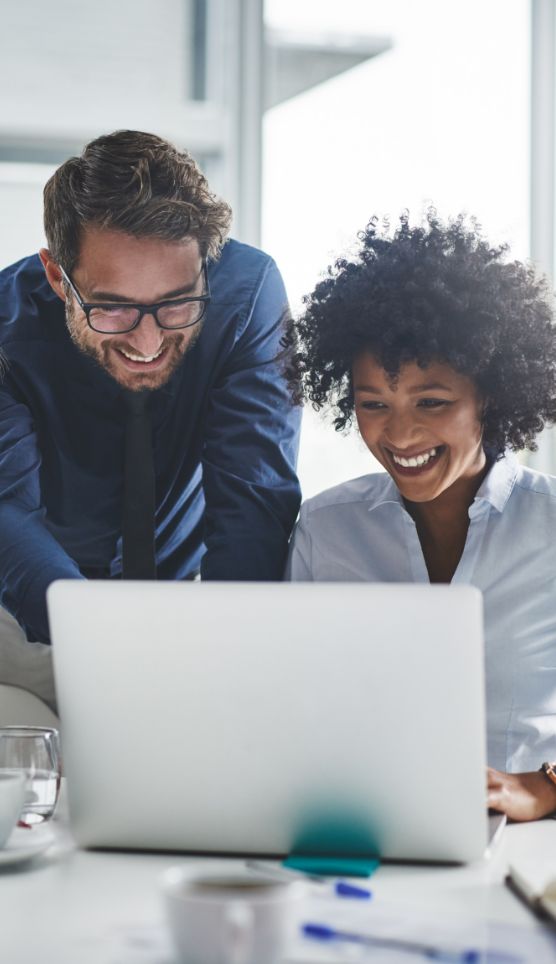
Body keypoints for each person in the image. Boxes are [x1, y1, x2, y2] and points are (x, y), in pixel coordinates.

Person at [0, 130, 301, 703]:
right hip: (26, 609)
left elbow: (254, 498)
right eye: (112, 308)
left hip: (189, 600)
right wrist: (111, 645)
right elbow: (7, 512)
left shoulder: (247, 295)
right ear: (58, 276)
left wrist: (228, 659)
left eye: (176, 302)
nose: (148, 341)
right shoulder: (3, 326)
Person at [285, 211, 556, 822]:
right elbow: (291, 707)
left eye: (431, 402)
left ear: (489, 394)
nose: (399, 434)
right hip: (363, 828)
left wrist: (542, 788)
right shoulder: (326, 531)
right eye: (373, 404)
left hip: (524, 845)